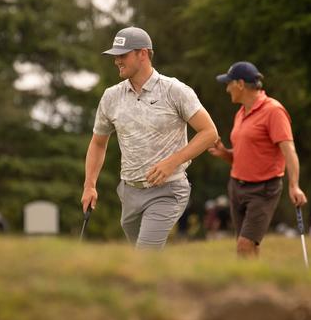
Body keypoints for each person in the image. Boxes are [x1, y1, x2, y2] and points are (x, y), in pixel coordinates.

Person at [81, 26, 218, 249]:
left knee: (145, 253)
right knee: (144, 263)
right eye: (115, 56)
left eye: (122, 55)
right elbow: (98, 143)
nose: (117, 61)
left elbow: (209, 132)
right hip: (129, 192)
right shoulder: (111, 97)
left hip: (168, 190)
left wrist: (173, 161)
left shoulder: (174, 91)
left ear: (142, 54)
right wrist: (89, 185)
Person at [208, 61, 307, 257]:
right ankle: (253, 284)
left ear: (241, 84)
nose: (227, 89)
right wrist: (225, 154)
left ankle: (246, 285)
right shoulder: (241, 113)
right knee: (248, 245)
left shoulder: (273, 111)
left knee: (244, 245)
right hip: (237, 186)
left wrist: (294, 185)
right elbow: (246, 156)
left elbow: (289, 151)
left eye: (229, 84)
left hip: (263, 189)